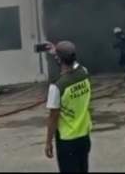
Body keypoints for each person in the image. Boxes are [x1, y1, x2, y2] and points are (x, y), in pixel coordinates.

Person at [44, 41, 93, 173]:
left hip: (67, 141)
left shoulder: (57, 86)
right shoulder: (84, 73)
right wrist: (57, 52)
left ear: (59, 59)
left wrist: (48, 142)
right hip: (84, 137)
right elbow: (74, 65)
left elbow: (53, 117)